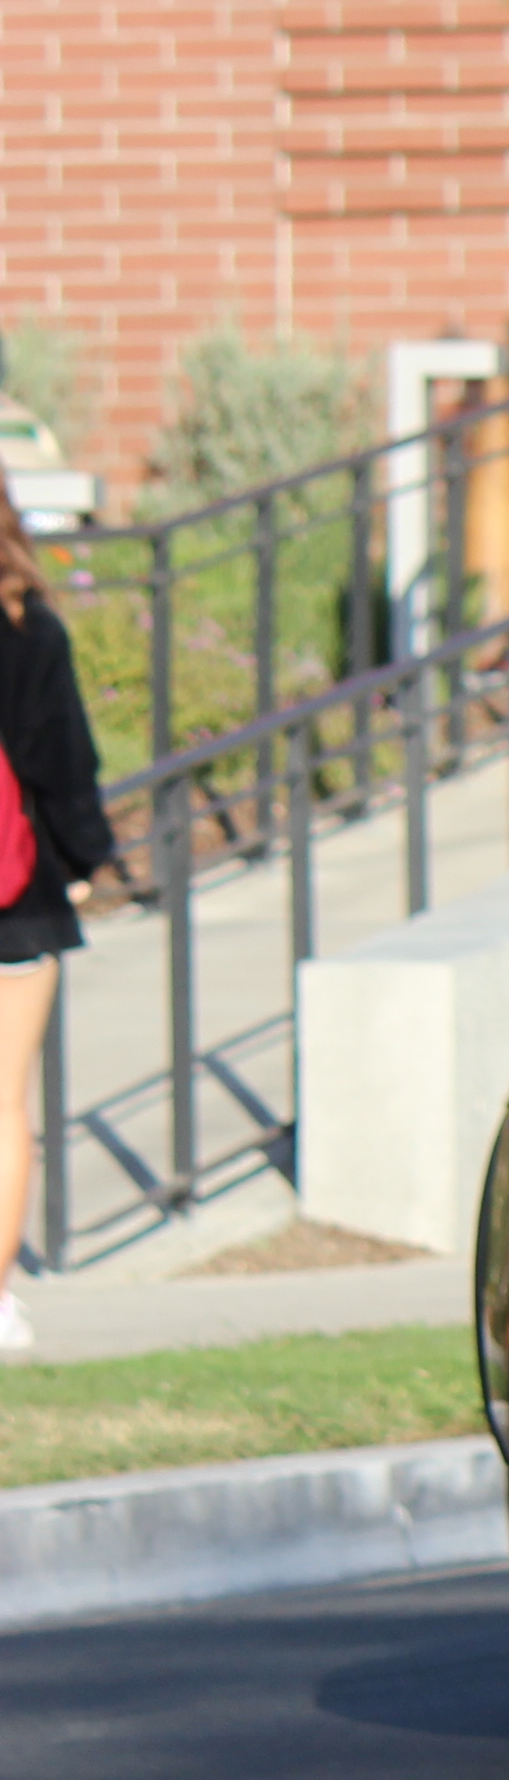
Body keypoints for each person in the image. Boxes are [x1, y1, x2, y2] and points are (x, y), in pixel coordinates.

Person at [0, 507, 128, 1351]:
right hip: (16, 901)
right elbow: (63, 765)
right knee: (5, 1104)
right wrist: (92, 861)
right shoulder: (28, 627)